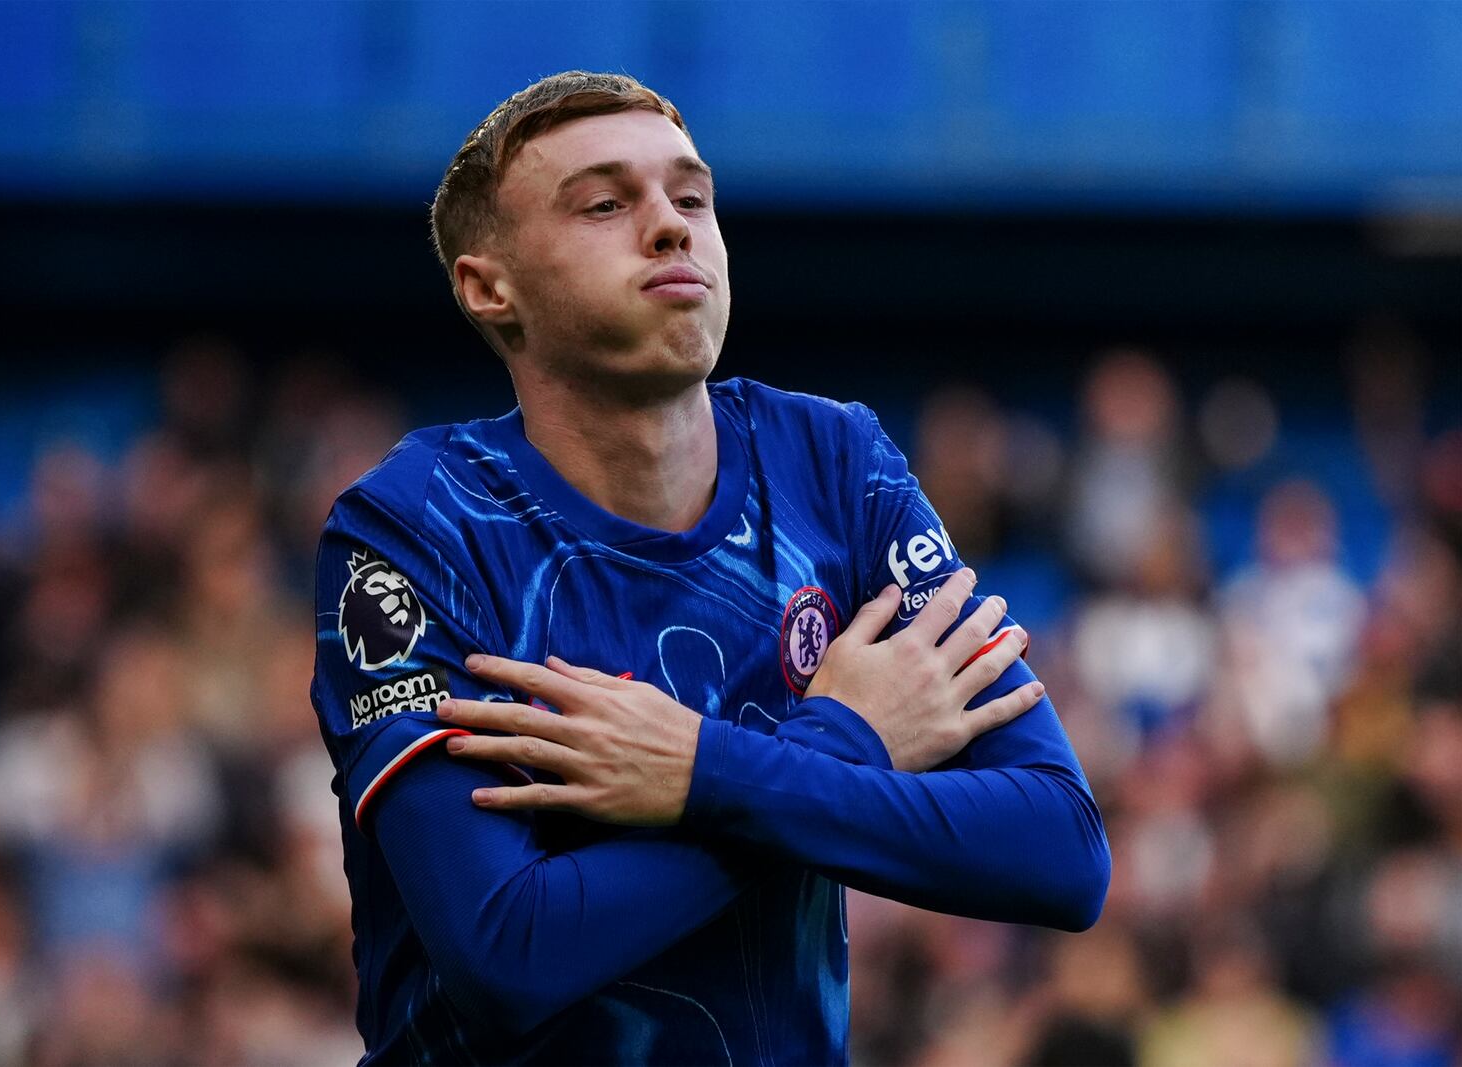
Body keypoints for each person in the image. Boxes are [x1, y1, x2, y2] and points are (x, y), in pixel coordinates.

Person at [310, 71, 1110, 1065]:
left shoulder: (837, 464)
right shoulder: (415, 526)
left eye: (690, 197)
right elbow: (506, 950)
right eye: (605, 204)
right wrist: (841, 737)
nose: (668, 226)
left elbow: (1060, 849)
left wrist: (702, 770)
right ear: (488, 285)